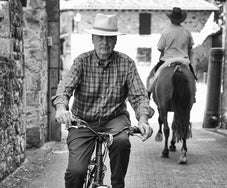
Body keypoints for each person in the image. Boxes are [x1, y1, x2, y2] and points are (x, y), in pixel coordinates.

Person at [51, 13, 154, 188]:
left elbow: (139, 96)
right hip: (82, 121)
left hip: (114, 119)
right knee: (76, 172)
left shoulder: (126, 63)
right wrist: (61, 108)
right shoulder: (81, 61)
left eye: (109, 38)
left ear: (115, 41)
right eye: (100, 37)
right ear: (92, 39)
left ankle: (117, 183)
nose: (104, 43)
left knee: (121, 142)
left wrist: (143, 120)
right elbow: (65, 88)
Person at [147, 7, 197, 99]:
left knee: (153, 76)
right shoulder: (187, 32)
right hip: (184, 60)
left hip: (167, 61)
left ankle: (148, 93)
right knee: (193, 78)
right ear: (181, 19)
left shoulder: (166, 32)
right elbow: (190, 48)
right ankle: (193, 96)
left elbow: (160, 48)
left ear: (171, 19)